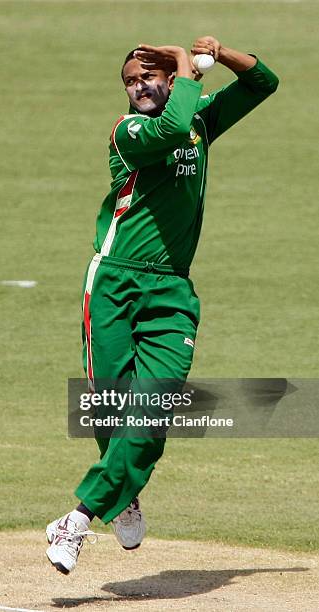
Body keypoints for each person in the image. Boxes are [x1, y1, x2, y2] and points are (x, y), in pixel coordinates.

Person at [45, 36, 279, 574]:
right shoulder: (128, 132)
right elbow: (170, 127)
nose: (138, 86)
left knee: (151, 411)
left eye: (149, 76)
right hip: (114, 284)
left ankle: (77, 520)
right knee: (110, 406)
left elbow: (264, 82)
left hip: (172, 291)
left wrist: (219, 56)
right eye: (130, 80)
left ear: (170, 83)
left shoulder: (197, 120)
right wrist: (181, 63)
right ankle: (122, 493)